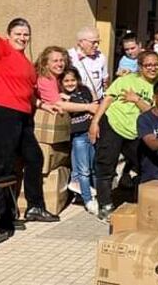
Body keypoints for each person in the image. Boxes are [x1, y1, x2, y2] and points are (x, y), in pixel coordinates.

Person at [0, 0, 60, 225]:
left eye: (26, 35)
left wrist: (44, 104)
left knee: (34, 157)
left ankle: (35, 207)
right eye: (18, 34)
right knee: (3, 164)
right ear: (9, 36)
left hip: (21, 115)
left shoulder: (26, 63)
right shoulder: (2, 49)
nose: (22, 38)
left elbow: (28, 92)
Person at [89, 51, 158, 219]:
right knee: (106, 165)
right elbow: (107, 100)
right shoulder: (125, 80)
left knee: (145, 166)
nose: (152, 68)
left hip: (136, 132)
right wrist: (95, 122)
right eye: (148, 65)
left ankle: (138, 200)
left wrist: (136, 99)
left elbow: (154, 113)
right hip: (113, 124)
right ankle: (105, 204)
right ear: (140, 67)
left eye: (155, 64)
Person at [60, 67, 98, 215]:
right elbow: (67, 109)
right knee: (84, 170)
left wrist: (71, 100)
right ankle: (88, 200)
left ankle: (94, 196)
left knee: (93, 167)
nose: (70, 83)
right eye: (66, 81)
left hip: (91, 133)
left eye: (72, 80)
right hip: (77, 136)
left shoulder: (84, 90)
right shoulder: (60, 96)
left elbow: (92, 105)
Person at [68, 26, 110, 101]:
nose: (97, 45)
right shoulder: (69, 57)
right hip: (76, 103)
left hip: (96, 102)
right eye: (93, 42)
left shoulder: (101, 57)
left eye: (98, 42)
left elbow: (105, 81)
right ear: (81, 42)